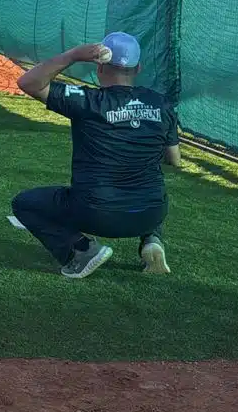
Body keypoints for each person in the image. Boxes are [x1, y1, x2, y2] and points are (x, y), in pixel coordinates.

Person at [11, 32, 180, 278]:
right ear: (138, 68)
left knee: (24, 203)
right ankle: (152, 241)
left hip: (97, 215)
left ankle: (81, 250)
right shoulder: (160, 103)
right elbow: (174, 160)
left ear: (99, 66)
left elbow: (29, 82)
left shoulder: (87, 101)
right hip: (150, 214)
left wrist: (73, 55)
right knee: (149, 188)